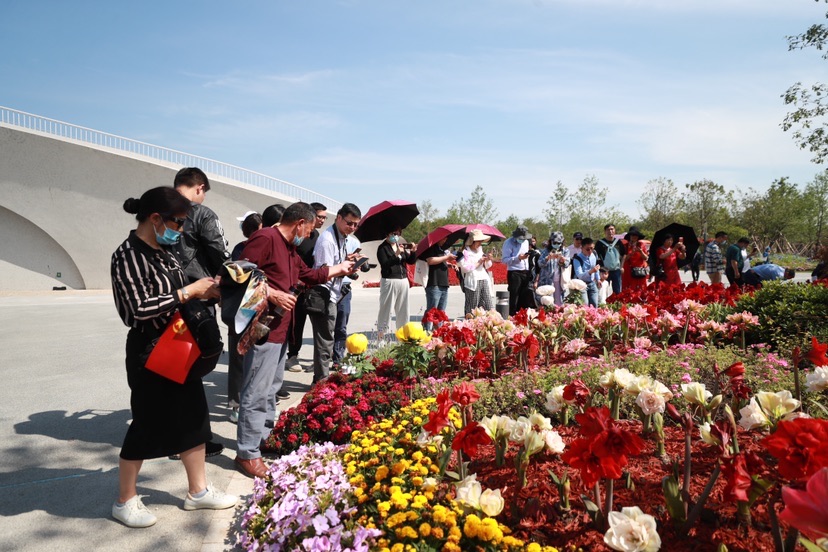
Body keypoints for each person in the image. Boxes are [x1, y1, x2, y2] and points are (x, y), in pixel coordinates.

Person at [110, 187, 238, 528]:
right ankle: (125, 500)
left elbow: (180, 293)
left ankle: (198, 491)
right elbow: (135, 310)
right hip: (150, 349)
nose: (180, 230)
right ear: (155, 218)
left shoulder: (165, 252)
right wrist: (186, 292)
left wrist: (205, 291)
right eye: (177, 223)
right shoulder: (127, 255)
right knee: (147, 422)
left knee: (195, 416)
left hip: (180, 341)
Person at [235, 202, 354, 478]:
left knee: (270, 388)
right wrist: (272, 294)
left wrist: (339, 269)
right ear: (300, 223)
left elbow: (307, 275)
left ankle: (263, 438)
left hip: (280, 330)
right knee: (256, 389)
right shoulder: (265, 238)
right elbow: (239, 273)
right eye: (311, 229)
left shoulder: (289, 247)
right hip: (263, 327)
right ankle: (246, 453)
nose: (310, 235)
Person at [170, 167, 229, 459]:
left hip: (167, 298)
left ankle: (174, 436)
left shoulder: (159, 209)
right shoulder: (203, 214)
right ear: (199, 187)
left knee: (173, 369)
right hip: (197, 299)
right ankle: (190, 441)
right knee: (193, 370)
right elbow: (220, 252)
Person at [309, 203, 362, 383]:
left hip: (335, 293)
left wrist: (348, 263)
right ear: (338, 218)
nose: (352, 228)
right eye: (350, 223)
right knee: (325, 342)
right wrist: (344, 269)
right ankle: (321, 382)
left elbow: (334, 265)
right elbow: (323, 272)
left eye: (356, 225)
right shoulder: (327, 240)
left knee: (330, 338)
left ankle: (322, 379)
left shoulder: (342, 237)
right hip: (324, 295)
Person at [227, 211, 263, 424]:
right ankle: (236, 404)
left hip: (259, 313)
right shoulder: (241, 250)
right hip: (242, 313)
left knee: (257, 359)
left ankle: (254, 402)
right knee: (238, 359)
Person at [286, 202, 328, 374]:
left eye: (325, 218)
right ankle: (292, 355)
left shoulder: (317, 236)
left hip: (311, 284)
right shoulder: (296, 237)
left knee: (317, 324)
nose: (322, 220)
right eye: (319, 217)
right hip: (296, 286)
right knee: (296, 323)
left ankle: (316, 360)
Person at [376, 226, 416, 339]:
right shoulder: (382, 248)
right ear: (387, 234)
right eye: (394, 233)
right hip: (389, 280)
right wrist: (396, 254)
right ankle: (381, 337)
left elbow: (410, 261)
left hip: (403, 280)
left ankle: (403, 337)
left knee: (404, 310)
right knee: (386, 310)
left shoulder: (400, 246)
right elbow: (385, 264)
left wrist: (413, 252)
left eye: (398, 233)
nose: (396, 236)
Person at [422, 236, 455, 331]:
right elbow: (430, 260)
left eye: (445, 239)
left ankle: (438, 331)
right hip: (434, 283)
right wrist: (447, 257)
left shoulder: (441, 249)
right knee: (432, 310)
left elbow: (440, 261)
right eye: (443, 238)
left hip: (443, 283)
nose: (445, 240)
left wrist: (449, 264)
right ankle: (427, 331)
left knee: (441, 311)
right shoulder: (430, 248)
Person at [459, 229, 495, 314]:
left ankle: (490, 323)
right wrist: (479, 262)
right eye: (478, 241)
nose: (480, 244)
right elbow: (465, 268)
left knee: (488, 304)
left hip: (483, 278)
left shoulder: (480, 251)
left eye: (481, 241)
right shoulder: (465, 252)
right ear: (472, 241)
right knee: (472, 306)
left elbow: (487, 266)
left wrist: (487, 260)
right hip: (472, 281)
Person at [502, 225, 535, 315]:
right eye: (521, 238)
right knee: (514, 296)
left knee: (525, 296)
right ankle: (512, 315)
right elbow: (504, 260)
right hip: (514, 273)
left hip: (525, 272)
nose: (522, 240)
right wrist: (518, 258)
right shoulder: (508, 243)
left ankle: (523, 316)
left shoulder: (526, 242)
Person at [536, 231, 570, 307]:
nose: (556, 245)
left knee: (559, 303)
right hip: (547, 280)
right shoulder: (546, 251)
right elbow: (540, 263)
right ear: (550, 241)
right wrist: (547, 258)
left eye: (559, 243)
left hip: (560, 281)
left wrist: (562, 261)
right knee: (548, 303)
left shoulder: (565, 251)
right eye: (554, 242)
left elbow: (567, 264)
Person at [595, 223, 626, 296]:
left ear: (615, 231)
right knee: (603, 290)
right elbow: (595, 257)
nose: (610, 231)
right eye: (608, 229)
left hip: (616, 270)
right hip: (604, 271)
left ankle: (616, 305)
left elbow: (624, 254)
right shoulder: (599, 243)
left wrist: (621, 266)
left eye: (612, 229)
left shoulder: (618, 242)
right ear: (605, 231)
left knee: (617, 291)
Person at [572, 238, 601, 307]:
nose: (590, 251)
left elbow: (596, 268)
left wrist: (598, 279)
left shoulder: (594, 254)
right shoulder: (577, 259)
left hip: (592, 283)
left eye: (592, 248)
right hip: (581, 285)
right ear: (582, 248)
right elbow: (579, 275)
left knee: (594, 304)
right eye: (587, 249)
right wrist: (590, 272)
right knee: (584, 305)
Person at [621, 226, 649, 292]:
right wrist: (632, 253)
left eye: (636, 235)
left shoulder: (641, 245)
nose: (634, 237)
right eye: (632, 235)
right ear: (629, 236)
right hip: (628, 271)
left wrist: (641, 252)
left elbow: (646, 258)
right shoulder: (625, 246)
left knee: (640, 288)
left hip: (639, 270)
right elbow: (624, 259)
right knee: (628, 289)